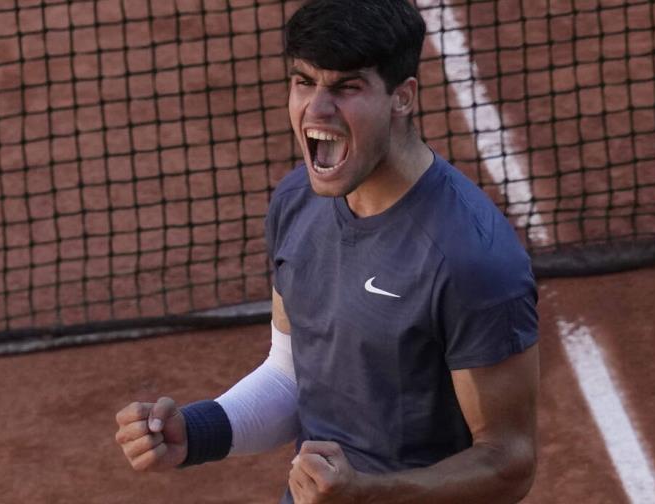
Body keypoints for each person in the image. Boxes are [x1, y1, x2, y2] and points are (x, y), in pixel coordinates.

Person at [114, 1, 539, 502]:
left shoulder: (469, 259)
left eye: (346, 87)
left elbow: (508, 463)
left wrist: (368, 493)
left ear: (402, 98)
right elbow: (292, 374)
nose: (316, 109)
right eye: (304, 81)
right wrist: (198, 432)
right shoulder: (297, 202)